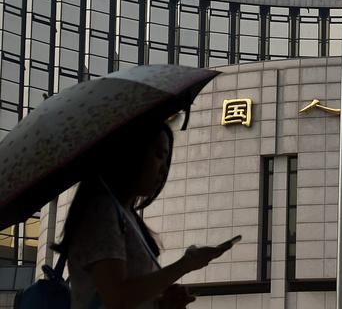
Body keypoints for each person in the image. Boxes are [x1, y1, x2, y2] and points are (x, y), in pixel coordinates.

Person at [52, 120, 227, 308]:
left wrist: (161, 304)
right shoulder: (102, 211)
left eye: (167, 160)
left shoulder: (125, 214)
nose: (164, 169)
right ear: (132, 152)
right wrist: (186, 264)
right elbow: (117, 296)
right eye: (159, 155)